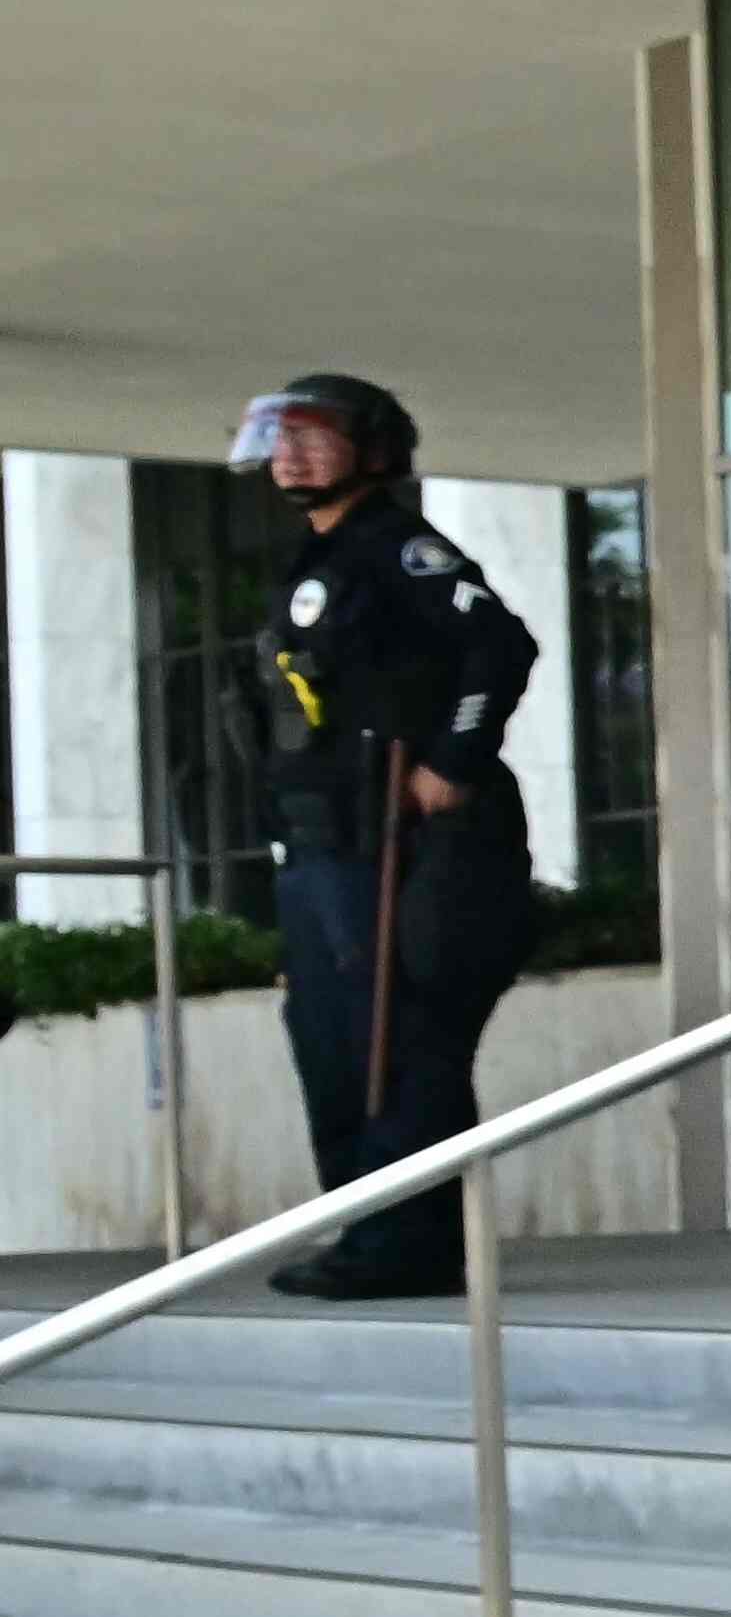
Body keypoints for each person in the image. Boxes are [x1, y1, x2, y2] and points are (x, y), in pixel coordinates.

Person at [230, 373, 534, 1302]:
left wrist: (454, 760)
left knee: (398, 1046)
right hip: (323, 848)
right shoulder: (312, 556)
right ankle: (364, 1231)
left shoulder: (401, 548)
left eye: (313, 436)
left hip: (402, 844)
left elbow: (500, 646)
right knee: (330, 1043)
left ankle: (409, 1245)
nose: (290, 454)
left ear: (371, 449)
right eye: (280, 437)